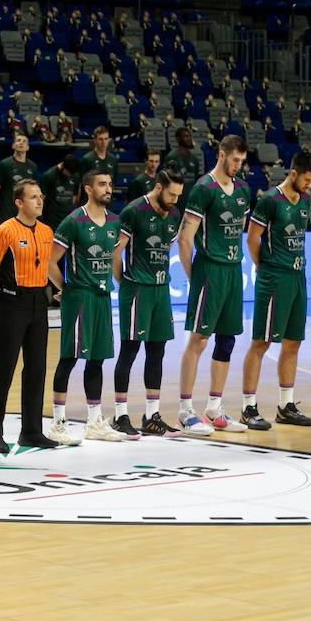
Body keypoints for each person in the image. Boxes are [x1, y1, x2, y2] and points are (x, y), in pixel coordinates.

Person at [176, 134, 252, 435]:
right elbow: (185, 237)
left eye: (242, 162)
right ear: (221, 155)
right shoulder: (203, 189)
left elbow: (239, 230)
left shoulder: (244, 190)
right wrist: (194, 276)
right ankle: (185, 410)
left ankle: (214, 408)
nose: (238, 166)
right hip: (209, 270)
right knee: (199, 339)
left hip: (234, 271)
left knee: (227, 340)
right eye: (235, 160)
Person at [46, 170, 127, 445]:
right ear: (88, 189)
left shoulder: (115, 221)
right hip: (80, 298)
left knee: (98, 359)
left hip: (103, 297)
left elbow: (114, 257)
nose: (108, 188)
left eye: (110, 183)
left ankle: (94, 422)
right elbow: (50, 262)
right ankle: (58, 422)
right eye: (102, 184)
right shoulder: (73, 221)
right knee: (69, 357)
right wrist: (65, 288)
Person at [241, 151, 311, 431]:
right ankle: (248, 407)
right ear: (294, 173)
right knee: (261, 342)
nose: (310, 185)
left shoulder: (306, 200)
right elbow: (252, 239)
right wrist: (265, 266)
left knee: (293, 342)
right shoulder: (269, 200)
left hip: (298, 277)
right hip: (274, 277)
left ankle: (286, 405)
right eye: (307, 180)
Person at [0, 179, 57, 450]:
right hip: (12, 303)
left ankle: (32, 430)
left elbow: (49, 266)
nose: (39, 201)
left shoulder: (47, 231)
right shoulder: (5, 231)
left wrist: (65, 289)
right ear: (19, 202)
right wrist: (2, 301)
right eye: (33, 197)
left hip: (39, 302)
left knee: (36, 369)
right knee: (5, 368)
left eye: (41, 196)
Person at [113, 169, 187, 438]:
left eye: (179, 195)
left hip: (161, 289)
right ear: (158, 187)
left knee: (157, 351)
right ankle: (120, 415)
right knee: (130, 350)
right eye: (171, 194)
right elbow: (116, 251)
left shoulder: (175, 215)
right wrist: (124, 282)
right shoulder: (134, 211)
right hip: (137, 289)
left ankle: (151, 415)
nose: (175, 200)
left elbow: (167, 249)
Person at [0, 133, 37, 223]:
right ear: (13, 146)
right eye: (18, 140)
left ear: (27, 147)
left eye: (24, 141)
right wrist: (0, 206)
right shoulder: (4, 164)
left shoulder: (33, 166)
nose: (21, 143)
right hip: (7, 213)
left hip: (25, 212)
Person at [74, 125, 118, 200]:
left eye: (106, 139)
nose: (103, 142)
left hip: (106, 202)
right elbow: (80, 183)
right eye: (100, 139)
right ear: (95, 140)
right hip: (90, 201)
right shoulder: (87, 159)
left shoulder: (113, 160)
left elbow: (113, 183)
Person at [39, 153, 80, 229]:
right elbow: (42, 198)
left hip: (68, 218)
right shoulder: (49, 176)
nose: (70, 175)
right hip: (52, 219)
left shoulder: (75, 175)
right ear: (62, 166)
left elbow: (75, 196)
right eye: (68, 173)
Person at [164, 127, 203, 208]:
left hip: (191, 201)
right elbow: (166, 181)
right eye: (185, 136)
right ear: (178, 139)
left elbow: (195, 180)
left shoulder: (194, 159)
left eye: (189, 136)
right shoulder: (172, 156)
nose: (188, 138)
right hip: (176, 201)